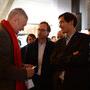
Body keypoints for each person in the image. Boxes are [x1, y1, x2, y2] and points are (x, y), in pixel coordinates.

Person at [50, 12, 89, 90]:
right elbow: (52, 61)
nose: (59, 25)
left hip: (77, 84)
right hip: (59, 83)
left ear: (71, 22)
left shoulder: (84, 39)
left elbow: (82, 60)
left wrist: (61, 57)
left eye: (62, 22)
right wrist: (71, 56)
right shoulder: (59, 42)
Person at [0, 8, 34, 90]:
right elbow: (2, 68)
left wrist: (22, 66)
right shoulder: (2, 34)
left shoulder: (7, 32)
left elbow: (8, 60)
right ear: (15, 19)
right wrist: (25, 73)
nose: (23, 29)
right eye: (23, 25)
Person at [24, 21, 55, 90]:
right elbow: (26, 63)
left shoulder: (53, 46)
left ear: (48, 33)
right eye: (39, 29)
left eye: (43, 30)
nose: (39, 32)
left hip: (47, 81)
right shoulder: (30, 46)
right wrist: (28, 81)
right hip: (33, 80)